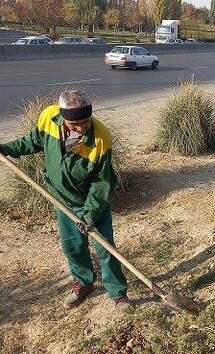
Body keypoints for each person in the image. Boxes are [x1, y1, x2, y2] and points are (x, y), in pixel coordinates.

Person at [0, 90, 130, 310]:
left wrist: (90, 213)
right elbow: (31, 141)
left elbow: (101, 183)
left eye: (85, 121)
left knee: (105, 248)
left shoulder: (100, 138)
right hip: (62, 200)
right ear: (62, 118)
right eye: (74, 124)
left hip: (91, 201)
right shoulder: (49, 119)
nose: (81, 128)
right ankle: (83, 282)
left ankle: (117, 293)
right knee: (72, 246)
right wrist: (6, 149)